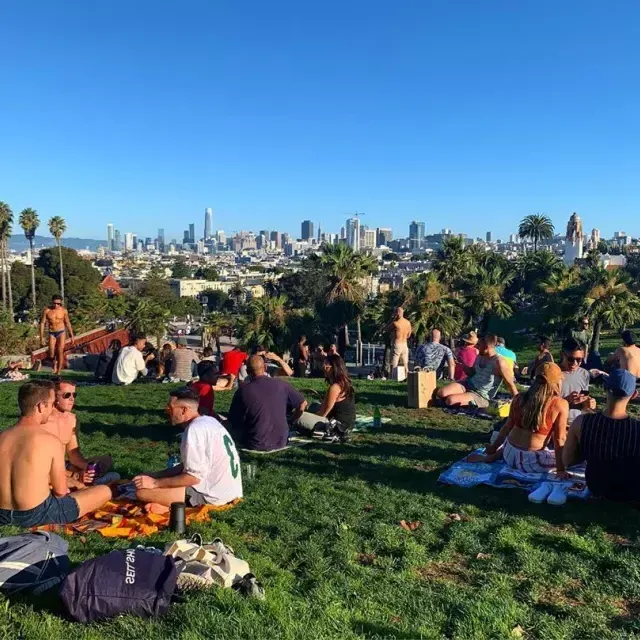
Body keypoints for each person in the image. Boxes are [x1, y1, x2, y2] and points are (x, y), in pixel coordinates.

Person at [0, 380, 112, 527]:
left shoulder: (2, 436)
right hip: (35, 514)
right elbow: (60, 491)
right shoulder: (50, 441)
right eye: (51, 404)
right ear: (41, 406)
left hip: (2, 514)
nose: (53, 408)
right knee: (104, 491)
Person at [133, 388, 242, 509]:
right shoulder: (209, 421)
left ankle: (172, 508)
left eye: (170, 408)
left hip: (213, 496)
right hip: (229, 491)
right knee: (153, 486)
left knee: (141, 493)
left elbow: (193, 478)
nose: (166, 411)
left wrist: (154, 483)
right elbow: (188, 466)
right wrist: (156, 475)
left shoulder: (194, 430)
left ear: (184, 410)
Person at [468, 363, 569, 476]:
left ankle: (494, 456)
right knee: (570, 457)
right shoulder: (559, 404)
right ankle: (496, 456)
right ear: (557, 382)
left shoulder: (519, 397)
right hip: (533, 461)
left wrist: (493, 447)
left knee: (515, 443)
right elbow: (559, 439)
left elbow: (507, 427)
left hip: (509, 453)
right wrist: (560, 469)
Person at [564, 369, 640, 502]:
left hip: (597, 486)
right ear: (634, 395)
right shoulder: (636, 428)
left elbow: (567, 461)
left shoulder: (581, 422)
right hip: (631, 490)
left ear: (605, 388)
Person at [43, 379, 119, 487]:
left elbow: (74, 454)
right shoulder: (44, 421)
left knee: (106, 460)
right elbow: (41, 465)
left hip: (64, 465)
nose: (71, 399)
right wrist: (75, 475)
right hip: (46, 469)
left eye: (74, 395)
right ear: (54, 397)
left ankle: (90, 479)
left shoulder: (72, 420)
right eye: (67, 395)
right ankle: (86, 481)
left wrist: (87, 468)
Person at [228, 355, 307, 452]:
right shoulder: (281, 384)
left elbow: (233, 421)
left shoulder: (243, 391)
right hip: (281, 441)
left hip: (254, 443)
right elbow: (303, 404)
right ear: (265, 367)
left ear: (247, 372)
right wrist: (291, 421)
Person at [436, 334, 518, 408]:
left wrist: (518, 402)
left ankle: (473, 401)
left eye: (479, 345)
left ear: (487, 346)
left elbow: (510, 383)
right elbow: (472, 372)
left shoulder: (499, 362)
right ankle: (462, 397)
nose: (476, 347)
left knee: (450, 401)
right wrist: (462, 365)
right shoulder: (480, 355)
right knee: (441, 393)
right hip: (468, 384)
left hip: (481, 395)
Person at [295, 354, 356, 443]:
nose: (324, 367)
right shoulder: (345, 383)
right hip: (347, 423)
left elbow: (323, 413)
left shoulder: (335, 387)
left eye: (326, 365)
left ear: (334, 367)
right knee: (314, 404)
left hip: (335, 425)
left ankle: (318, 431)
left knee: (298, 415)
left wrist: (307, 415)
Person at [560, 337, 595, 422]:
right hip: (556, 423)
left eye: (579, 360)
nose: (574, 363)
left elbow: (582, 405)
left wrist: (588, 403)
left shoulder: (584, 374)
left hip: (576, 423)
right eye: (570, 359)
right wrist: (566, 400)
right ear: (561, 355)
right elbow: (542, 403)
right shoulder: (553, 373)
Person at [40, 295, 74, 375]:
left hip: (61, 332)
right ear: (52, 302)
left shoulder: (64, 311)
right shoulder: (47, 311)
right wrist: (41, 337)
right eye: (55, 303)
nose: (56, 305)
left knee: (60, 351)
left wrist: (72, 335)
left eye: (58, 304)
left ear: (61, 303)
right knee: (51, 353)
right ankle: (54, 362)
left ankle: (58, 371)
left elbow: (67, 323)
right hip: (52, 332)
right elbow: (42, 323)